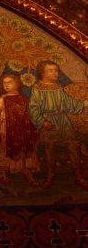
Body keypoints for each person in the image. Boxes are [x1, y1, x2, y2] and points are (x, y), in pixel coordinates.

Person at [28, 60, 88, 189]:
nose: (55, 73)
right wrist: (42, 122)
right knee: (50, 148)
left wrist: (83, 103)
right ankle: (50, 176)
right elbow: (33, 108)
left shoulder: (58, 87)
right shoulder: (37, 89)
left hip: (63, 120)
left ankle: (78, 176)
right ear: (42, 73)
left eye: (56, 70)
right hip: (48, 121)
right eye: (51, 70)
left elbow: (68, 102)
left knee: (73, 145)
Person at [0, 75, 40, 186]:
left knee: (23, 150)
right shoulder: (1, 100)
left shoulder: (24, 99)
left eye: (10, 82)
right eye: (4, 83)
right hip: (7, 132)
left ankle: (26, 171)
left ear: (17, 84)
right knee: (4, 150)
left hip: (22, 131)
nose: (7, 85)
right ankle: (2, 173)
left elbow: (29, 115)